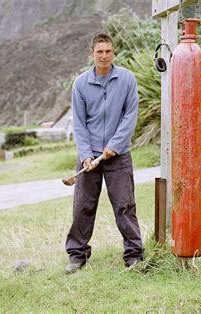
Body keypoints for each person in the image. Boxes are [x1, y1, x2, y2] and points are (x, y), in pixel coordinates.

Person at [65, 32, 144, 274]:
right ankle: (77, 256)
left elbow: (130, 117)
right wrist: (87, 155)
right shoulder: (80, 84)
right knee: (83, 206)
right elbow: (79, 124)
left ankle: (134, 256)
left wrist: (115, 145)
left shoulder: (127, 79)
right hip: (89, 158)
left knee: (124, 205)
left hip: (118, 156)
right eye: (99, 51)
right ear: (92, 53)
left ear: (113, 52)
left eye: (108, 51)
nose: (104, 55)